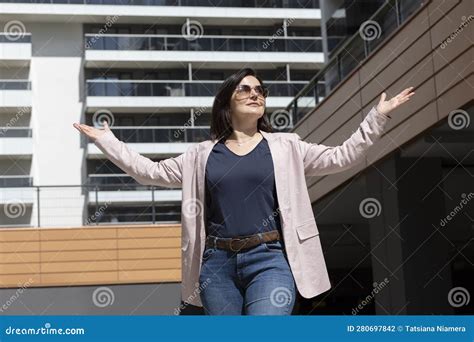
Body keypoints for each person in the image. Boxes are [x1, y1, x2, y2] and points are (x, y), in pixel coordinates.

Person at [74, 68, 415, 315]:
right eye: (245, 89)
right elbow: (150, 172)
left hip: (271, 259)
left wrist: (377, 117)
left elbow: (343, 156)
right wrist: (108, 141)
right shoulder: (201, 155)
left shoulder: (286, 147)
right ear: (226, 102)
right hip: (216, 266)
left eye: (260, 90)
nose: (256, 94)